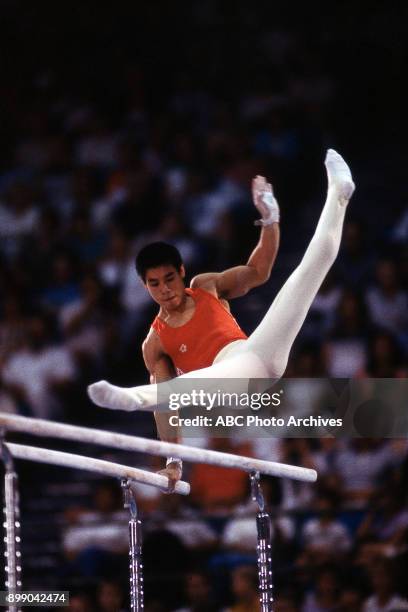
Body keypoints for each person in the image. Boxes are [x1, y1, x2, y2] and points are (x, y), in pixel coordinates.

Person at [89, 149, 355, 484]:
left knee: (307, 272)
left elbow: (259, 271)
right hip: (224, 398)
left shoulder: (206, 287)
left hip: (258, 360)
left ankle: (339, 195)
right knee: (172, 390)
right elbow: (169, 408)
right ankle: (134, 397)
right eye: (154, 284)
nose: (165, 289)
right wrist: (174, 461)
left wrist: (269, 221)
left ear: (182, 272)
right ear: (144, 286)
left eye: (169, 279)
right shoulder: (155, 342)